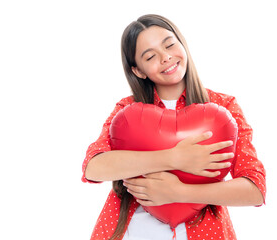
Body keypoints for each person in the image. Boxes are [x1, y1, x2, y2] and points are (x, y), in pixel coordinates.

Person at [82, 14, 266, 240]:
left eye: (169, 45)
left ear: (182, 44)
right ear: (138, 71)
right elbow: (94, 168)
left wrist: (179, 192)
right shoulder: (127, 110)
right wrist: (174, 158)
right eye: (150, 57)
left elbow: (255, 189)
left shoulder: (223, 107)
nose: (166, 57)